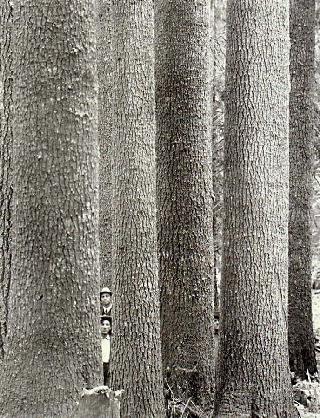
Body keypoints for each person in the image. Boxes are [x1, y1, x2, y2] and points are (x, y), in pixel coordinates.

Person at [101, 315, 112, 386]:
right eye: (103, 324)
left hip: (108, 365)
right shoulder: (95, 339)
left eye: (107, 325)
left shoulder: (112, 340)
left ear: (110, 327)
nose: (105, 327)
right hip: (99, 365)